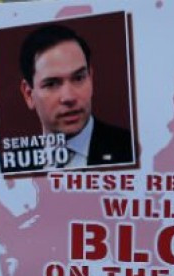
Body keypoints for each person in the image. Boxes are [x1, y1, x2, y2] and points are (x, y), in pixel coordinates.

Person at [18, 23, 134, 169]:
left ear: (91, 78)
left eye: (79, 78)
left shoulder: (134, 149)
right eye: (52, 84)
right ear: (29, 94)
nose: (69, 97)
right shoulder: (10, 169)